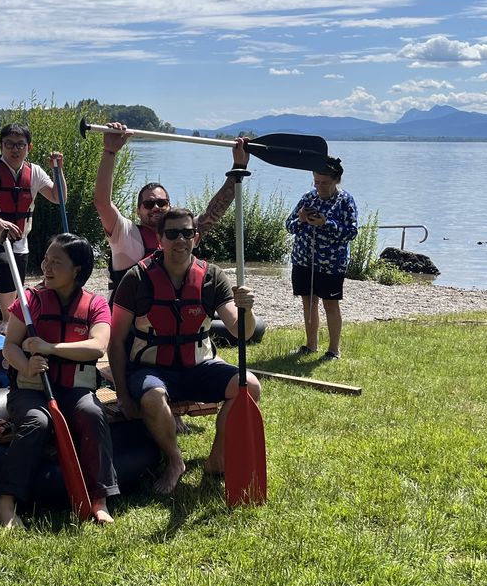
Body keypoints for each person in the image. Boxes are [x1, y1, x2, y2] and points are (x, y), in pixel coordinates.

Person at [108, 208, 261, 493]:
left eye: (187, 233)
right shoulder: (136, 279)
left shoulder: (212, 277)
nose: (181, 239)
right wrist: (123, 394)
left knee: (249, 386)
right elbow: (115, 341)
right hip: (150, 369)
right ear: (160, 238)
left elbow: (243, 331)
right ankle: (175, 461)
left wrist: (247, 310)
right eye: (172, 233)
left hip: (199, 368)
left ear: (196, 237)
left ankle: (218, 458)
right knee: (153, 400)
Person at [0, 233, 118, 528]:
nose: (46, 267)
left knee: (91, 411)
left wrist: (51, 349)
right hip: (31, 391)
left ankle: (99, 500)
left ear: (77, 270)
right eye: (45, 260)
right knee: (37, 422)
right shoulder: (29, 301)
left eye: (56, 262)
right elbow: (10, 345)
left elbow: (97, 346)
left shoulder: (96, 305)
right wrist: (26, 366)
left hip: (74, 389)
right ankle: (6, 503)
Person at [93, 122, 251, 293]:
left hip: (170, 312)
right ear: (138, 212)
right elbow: (102, 203)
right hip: (131, 316)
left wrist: (239, 167)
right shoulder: (125, 233)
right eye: (148, 204)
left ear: (169, 206)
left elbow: (213, 212)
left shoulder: (181, 232)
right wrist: (110, 151)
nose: (156, 207)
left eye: (161, 203)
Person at [0, 123, 65, 333]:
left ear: (29, 147)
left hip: (20, 244)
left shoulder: (34, 172)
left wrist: (58, 171)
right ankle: (9, 325)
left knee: (12, 294)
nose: (15, 149)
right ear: (1, 146)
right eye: (9, 144)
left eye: (21, 144)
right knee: (5, 269)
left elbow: (58, 197)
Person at [285, 157, 356, 361]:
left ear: (336, 180)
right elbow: (289, 226)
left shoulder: (345, 200)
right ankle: (310, 346)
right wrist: (301, 220)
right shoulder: (308, 197)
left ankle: (334, 351)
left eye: (324, 183)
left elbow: (351, 232)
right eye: (316, 182)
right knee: (308, 303)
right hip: (303, 259)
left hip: (331, 263)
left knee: (330, 304)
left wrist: (327, 224)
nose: (319, 187)